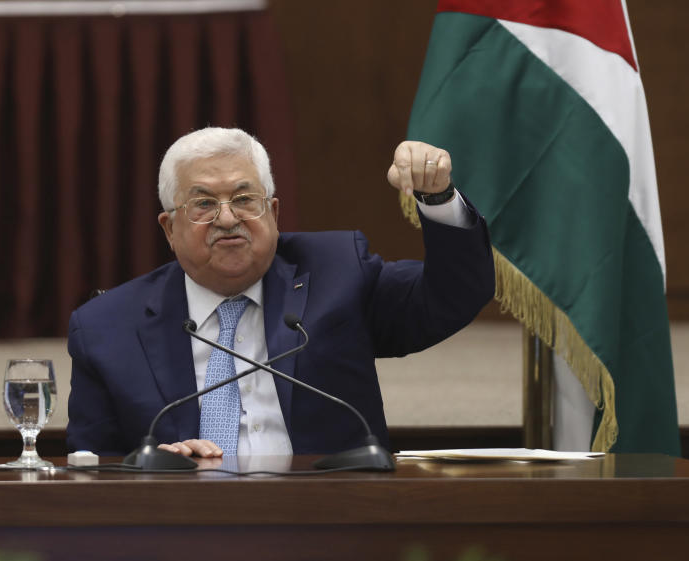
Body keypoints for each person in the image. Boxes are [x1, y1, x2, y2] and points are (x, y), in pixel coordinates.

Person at [66, 127, 493, 458]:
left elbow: (452, 296)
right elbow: (90, 467)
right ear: (168, 229)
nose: (228, 218)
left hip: (329, 525)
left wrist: (437, 197)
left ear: (272, 213)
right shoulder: (106, 328)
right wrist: (155, 469)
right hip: (183, 533)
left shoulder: (339, 271)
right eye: (203, 205)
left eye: (244, 198)